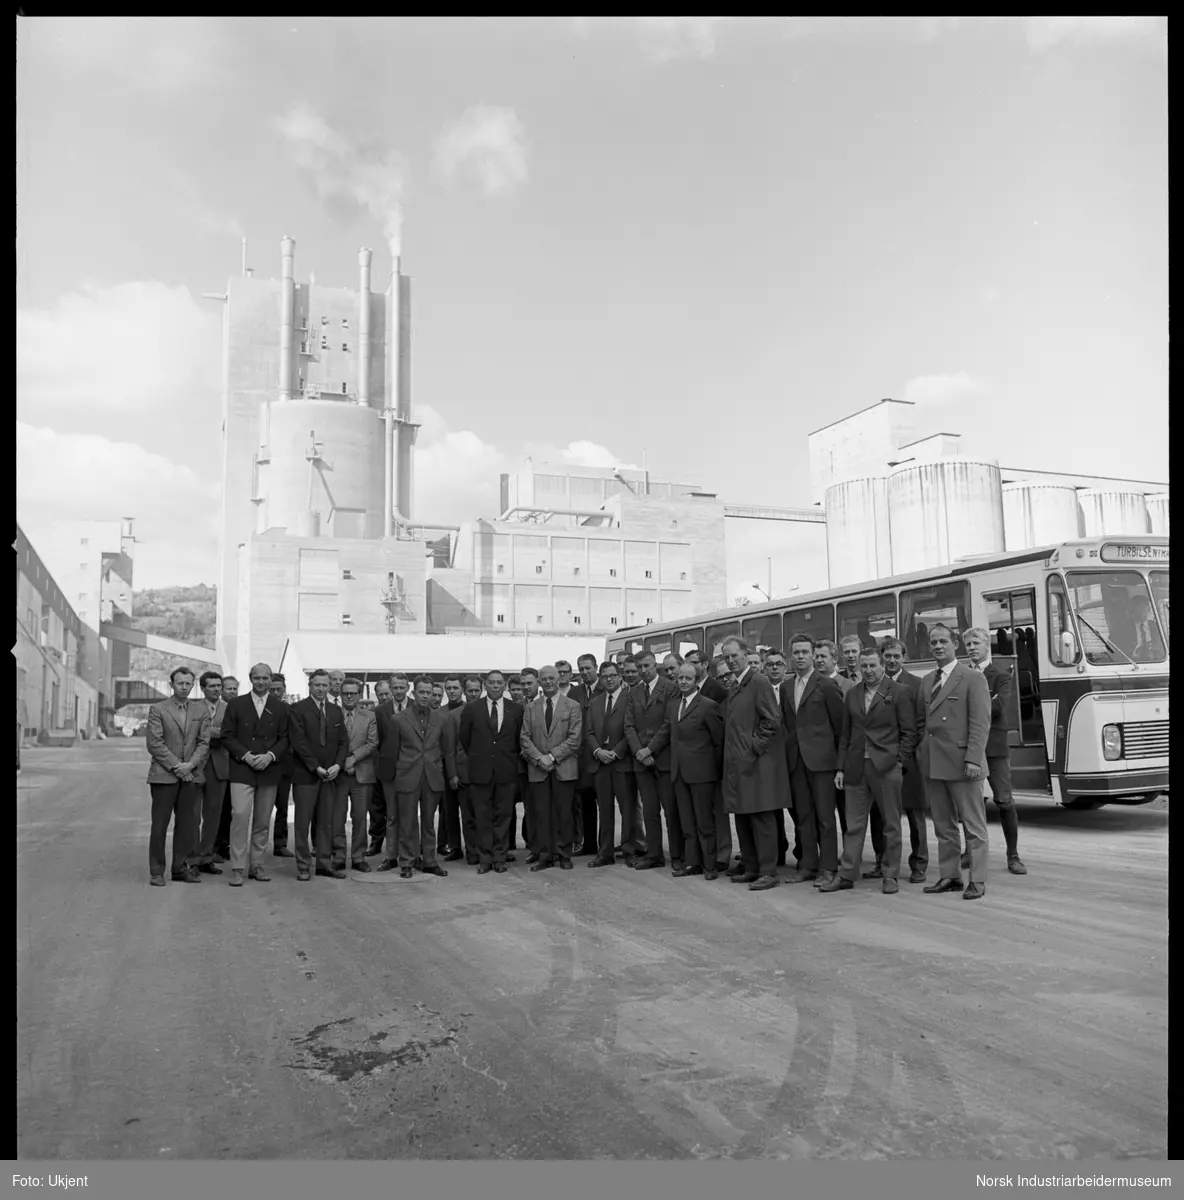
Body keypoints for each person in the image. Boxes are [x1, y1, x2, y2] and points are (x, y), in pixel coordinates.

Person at [822, 646, 916, 894]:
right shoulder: (852, 693)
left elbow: (909, 732)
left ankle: (890, 874)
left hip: (886, 767)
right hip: (856, 767)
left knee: (890, 824)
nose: (868, 670)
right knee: (853, 825)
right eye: (864, 666)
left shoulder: (899, 692)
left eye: (873, 665)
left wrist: (898, 760)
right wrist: (840, 768)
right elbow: (846, 734)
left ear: (882, 666)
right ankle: (847, 874)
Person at [918, 624, 991, 900]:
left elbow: (980, 723)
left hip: (963, 764)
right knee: (943, 826)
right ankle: (950, 876)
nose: (938, 646)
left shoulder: (972, 678)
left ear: (955, 645)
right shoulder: (927, 680)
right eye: (933, 642)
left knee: (974, 826)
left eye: (943, 641)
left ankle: (978, 880)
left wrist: (973, 759)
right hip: (935, 763)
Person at [719, 637, 786, 891]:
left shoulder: (757, 682)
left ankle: (768, 871)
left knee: (761, 817)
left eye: (735, 655)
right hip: (738, 763)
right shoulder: (735, 685)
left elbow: (771, 720)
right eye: (727, 657)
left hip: (755, 763)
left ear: (746, 655)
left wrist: (752, 748)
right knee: (743, 816)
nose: (731, 661)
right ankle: (752, 866)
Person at [781, 633, 845, 887]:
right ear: (791, 655)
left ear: (813, 655)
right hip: (796, 762)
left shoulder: (827, 685)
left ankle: (828, 867)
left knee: (825, 818)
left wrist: (840, 765)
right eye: (795, 652)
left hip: (822, 763)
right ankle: (808, 864)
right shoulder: (786, 687)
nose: (800, 657)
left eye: (805, 652)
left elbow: (841, 730)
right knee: (803, 817)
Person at [963, 627, 1027, 875]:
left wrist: (973, 708)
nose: (971, 648)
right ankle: (969, 851)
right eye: (967, 644)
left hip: (994, 746)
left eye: (976, 643)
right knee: (969, 802)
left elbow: (1000, 707)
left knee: (1004, 800)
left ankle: (1013, 855)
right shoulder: (963, 675)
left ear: (987, 645)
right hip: (969, 747)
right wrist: (985, 703)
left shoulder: (1001, 675)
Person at [220, 662, 291, 887]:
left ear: (271, 680)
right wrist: (246, 756)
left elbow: (286, 738)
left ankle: (257, 865)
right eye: (257, 678)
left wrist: (270, 756)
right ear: (251, 679)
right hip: (242, 768)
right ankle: (238, 867)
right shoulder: (236, 705)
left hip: (269, 768)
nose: (261, 682)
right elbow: (227, 736)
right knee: (240, 816)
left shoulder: (281, 707)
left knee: (262, 820)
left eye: (265, 678)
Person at [654, 662, 724, 879]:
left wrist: (717, 771)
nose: (683, 682)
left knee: (704, 822)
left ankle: (710, 865)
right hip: (679, 772)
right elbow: (668, 734)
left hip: (702, 774)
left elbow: (718, 741)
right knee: (687, 821)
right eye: (680, 678)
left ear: (696, 681)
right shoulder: (674, 705)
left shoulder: (708, 705)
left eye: (688, 678)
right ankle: (692, 862)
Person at [144, 667, 212, 886]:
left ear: (193, 685)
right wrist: (177, 766)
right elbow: (155, 743)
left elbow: (204, 742)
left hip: (190, 775)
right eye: (180, 683)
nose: (184, 687)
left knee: (187, 825)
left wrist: (190, 765)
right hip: (164, 776)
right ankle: (157, 871)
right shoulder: (158, 709)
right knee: (160, 825)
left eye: (188, 683)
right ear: (171, 684)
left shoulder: (200, 711)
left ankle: (180, 868)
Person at [377, 676, 450, 879]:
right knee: (407, 822)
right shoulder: (398, 719)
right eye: (422, 692)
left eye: (429, 692)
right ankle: (407, 862)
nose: (425, 696)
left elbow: (446, 749)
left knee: (428, 822)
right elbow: (392, 750)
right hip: (407, 775)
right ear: (414, 692)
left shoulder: (441, 719)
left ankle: (429, 861)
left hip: (432, 776)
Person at [459, 670, 524, 873]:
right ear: (485, 685)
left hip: (506, 770)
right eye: (491, 683)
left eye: (499, 683)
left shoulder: (516, 709)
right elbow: (465, 739)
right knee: (483, 816)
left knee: (503, 816)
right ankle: (485, 858)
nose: (495, 686)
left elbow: (518, 739)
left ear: (504, 685)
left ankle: (500, 857)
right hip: (480, 771)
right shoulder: (472, 709)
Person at [287, 668, 349, 882]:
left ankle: (324, 864)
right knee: (303, 823)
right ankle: (304, 866)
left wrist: (338, 765)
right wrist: (315, 767)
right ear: (310, 685)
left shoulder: (335, 710)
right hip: (306, 775)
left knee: (326, 823)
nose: (321, 688)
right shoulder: (297, 709)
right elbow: (299, 742)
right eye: (317, 685)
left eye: (325, 685)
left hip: (330, 775)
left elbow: (343, 742)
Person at [520, 665, 582, 871]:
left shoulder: (572, 706)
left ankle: (564, 854)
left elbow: (574, 739)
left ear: (559, 680)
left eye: (551, 678)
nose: (548, 682)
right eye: (544, 679)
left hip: (563, 768)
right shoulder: (531, 707)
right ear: (539, 681)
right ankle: (545, 855)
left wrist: (552, 757)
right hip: (538, 769)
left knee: (564, 813)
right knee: (542, 814)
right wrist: (539, 758)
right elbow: (525, 738)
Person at [624, 650, 682, 871]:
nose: (643, 671)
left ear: (654, 664)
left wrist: (650, 749)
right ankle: (654, 853)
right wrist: (639, 751)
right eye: (639, 667)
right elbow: (628, 726)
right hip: (641, 761)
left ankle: (676, 854)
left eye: (647, 666)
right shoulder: (634, 692)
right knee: (649, 811)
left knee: (670, 810)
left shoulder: (670, 688)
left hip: (663, 758)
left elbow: (669, 723)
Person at [584, 659, 643, 867]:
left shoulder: (631, 698)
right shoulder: (595, 702)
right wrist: (598, 751)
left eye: (612, 676)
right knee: (605, 811)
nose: (608, 679)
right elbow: (588, 732)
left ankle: (629, 850)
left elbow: (633, 730)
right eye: (604, 676)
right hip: (601, 764)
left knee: (627, 810)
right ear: (600, 679)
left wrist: (616, 752)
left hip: (622, 763)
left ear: (619, 677)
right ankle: (605, 852)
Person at [880, 638, 929, 882]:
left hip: (910, 761)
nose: (891, 660)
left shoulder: (916, 684)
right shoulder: (876, 684)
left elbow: (921, 723)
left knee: (916, 816)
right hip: (882, 761)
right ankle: (886, 864)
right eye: (887, 656)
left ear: (904, 657)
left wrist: (906, 754)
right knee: (885, 817)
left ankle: (919, 863)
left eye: (896, 656)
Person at [334, 677, 379, 872]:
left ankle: (359, 857)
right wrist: (342, 762)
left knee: (360, 817)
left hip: (362, 773)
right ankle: (339, 855)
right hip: (338, 774)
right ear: (341, 695)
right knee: (337, 817)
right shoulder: (333, 715)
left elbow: (372, 742)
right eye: (346, 693)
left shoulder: (369, 716)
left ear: (359, 695)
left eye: (353, 693)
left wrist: (353, 758)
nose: (349, 697)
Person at [443, 676, 485, 864]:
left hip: (487, 774)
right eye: (470, 691)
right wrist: (452, 774)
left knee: (485, 816)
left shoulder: (490, 711)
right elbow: (450, 749)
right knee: (468, 817)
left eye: (477, 690)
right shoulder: (454, 715)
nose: (474, 694)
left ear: (481, 690)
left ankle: (487, 850)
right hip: (464, 773)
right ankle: (472, 853)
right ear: (465, 692)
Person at [191, 670, 229, 875]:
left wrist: (206, 732)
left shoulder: (229, 709)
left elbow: (230, 733)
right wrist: (215, 732)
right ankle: (192, 858)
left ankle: (206, 857)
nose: (216, 689)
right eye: (212, 686)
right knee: (192, 815)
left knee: (213, 815)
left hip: (220, 767)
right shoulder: (192, 708)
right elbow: (189, 733)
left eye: (219, 686)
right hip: (196, 766)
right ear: (203, 688)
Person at [762, 649, 796, 869]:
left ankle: (803, 854)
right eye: (770, 664)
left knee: (798, 810)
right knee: (771, 810)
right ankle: (777, 852)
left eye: (779, 664)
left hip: (792, 757)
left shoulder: (792, 689)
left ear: (785, 667)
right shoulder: (761, 689)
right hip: (768, 758)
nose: (774, 667)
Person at [437, 674, 467, 860]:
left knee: (468, 810)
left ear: (461, 689)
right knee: (449, 810)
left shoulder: (470, 710)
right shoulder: (439, 712)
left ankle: (473, 846)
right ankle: (454, 846)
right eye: (449, 688)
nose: (452, 691)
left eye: (455, 687)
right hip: (443, 767)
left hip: (465, 767)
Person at [211, 675, 239, 863]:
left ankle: (225, 845)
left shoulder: (242, 708)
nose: (232, 691)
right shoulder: (216, 709)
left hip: (237, 766)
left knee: (232, 811)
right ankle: (214, 847)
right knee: (217, 810)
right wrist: (225, 734)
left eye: (234, 688)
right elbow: (206, 730)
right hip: (218, 764)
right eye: (228, 688)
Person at [267, 673, 296, 859]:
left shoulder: (289, 710)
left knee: (283, 807)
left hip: (284, 765)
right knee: (261, 808)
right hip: (262, 765)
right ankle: (257, 844)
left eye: (279, 689)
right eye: (272, 690)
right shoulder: (258, 708)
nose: (276, 692)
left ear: (284, 689)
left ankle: (280, 843)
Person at [517, 667, 541, 858]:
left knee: (547, 807)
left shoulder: (545, 705)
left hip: (544, 763)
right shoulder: (516, 707)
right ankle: (534, 847)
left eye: (529, 683)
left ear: (537, 683)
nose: (525, 687)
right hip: (523, 767)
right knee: (530, 808)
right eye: (523, 684)